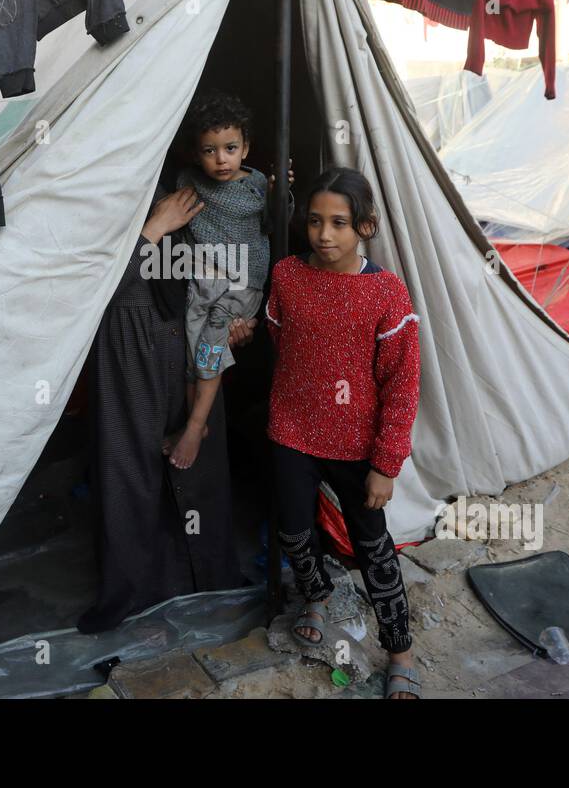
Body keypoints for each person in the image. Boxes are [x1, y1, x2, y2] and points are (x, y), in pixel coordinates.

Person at [264, 166, 423, 699]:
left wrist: (386, 463)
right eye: (314, 221)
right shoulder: (286, 275)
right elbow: (279, 340)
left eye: (338, 223)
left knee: (373, 546)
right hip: (291, 427)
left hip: (358, 444)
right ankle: (317, 595)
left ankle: (399, 649)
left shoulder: (386, 294)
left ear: (365, 228)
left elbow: (402, 384)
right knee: (293, 529)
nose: (324, 235)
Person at [77, 185, 249, 634]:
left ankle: (205, 578)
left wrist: (234, 314)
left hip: (187, 335)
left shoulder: (203, 184)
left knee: (199, 464)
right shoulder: (97, 187)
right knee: (128, 466)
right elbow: (89, 288)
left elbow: (237, 248)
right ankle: (131, 591)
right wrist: (154, 228)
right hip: (129, 337)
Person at [165, 91, 276, 471]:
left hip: (241, 284)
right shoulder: (188, 182)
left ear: (245, 147)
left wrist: (281, 195)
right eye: (209, 150)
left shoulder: (257, 185)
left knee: (211, 345)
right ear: (196, 154)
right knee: (192, 356)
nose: (221, 158)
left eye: (230, 148)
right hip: (202, 282)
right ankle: (195, 424)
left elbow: (273, 220)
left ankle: (196, 427)